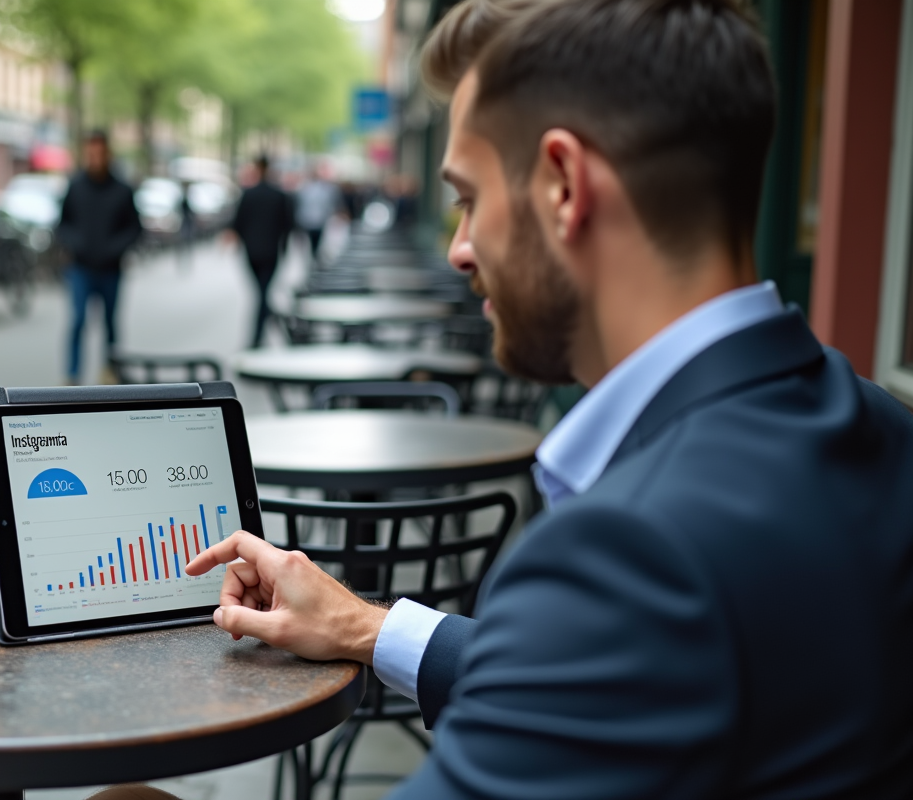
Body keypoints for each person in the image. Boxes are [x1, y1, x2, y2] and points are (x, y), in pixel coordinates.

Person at [181, 1, 913, 798]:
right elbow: (632, 683)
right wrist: (369, 627)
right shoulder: (878, 424)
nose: (460, 248)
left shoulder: (630, 554)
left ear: (563, 184)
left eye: (469, 197)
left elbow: (618, 648)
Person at [56, 130, 142, 384]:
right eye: (91, 153)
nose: (95, 158)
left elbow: (134, 228)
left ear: (108, 154)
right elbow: (63, 224)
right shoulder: (75, 186)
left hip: (111, 268)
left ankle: (110, 372)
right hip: (80, 267)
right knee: (78, 320)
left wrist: (116, 248)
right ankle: (72, 376)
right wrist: (74, 245)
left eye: (100, 153)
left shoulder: (122, 189)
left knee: (110, 323)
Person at [228, 155, 293, 347]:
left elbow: (238, 223)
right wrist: (284, 249)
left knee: (260, 293)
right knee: (263, 293)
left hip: (252, 251)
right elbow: (288, 225)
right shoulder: (279, 195)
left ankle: (258, 335)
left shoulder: (248, 194)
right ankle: (265, 325)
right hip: (271, 251)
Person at [295, 161, 342, 262]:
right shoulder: (305, 188)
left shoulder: (307, 188)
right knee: (313, 243)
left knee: (315, 242)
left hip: (314, 221)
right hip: (311, 221)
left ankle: (314, 257)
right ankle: (314, 257)